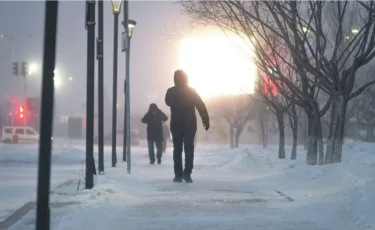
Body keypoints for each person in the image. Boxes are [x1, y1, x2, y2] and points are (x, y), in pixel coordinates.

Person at [165, 69, 210, 183]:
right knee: (189, 150)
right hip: (190, 124)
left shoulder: (171, 91)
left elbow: (167, 102)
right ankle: (187, 174)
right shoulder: (192, 91)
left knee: (177, 150)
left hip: (176, 124)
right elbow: (201, 106)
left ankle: (178, 175)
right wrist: (206, 120)